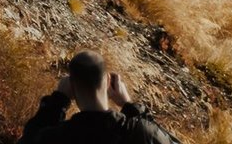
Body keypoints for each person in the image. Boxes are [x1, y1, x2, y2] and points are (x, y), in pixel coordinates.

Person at [20, 53, 181, 142]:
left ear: (72, 88)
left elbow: (29, 140)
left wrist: (58, 103)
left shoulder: (56, 137)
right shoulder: (139, 132)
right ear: (108, 81)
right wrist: (129, 105)